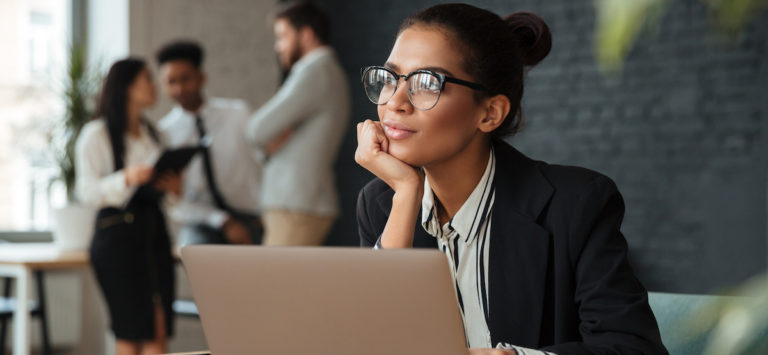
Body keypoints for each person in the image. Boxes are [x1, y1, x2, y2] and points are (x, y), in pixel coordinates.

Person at [355, 4, 668, 354]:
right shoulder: (383, 203)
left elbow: (633, 349)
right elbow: (376, 341)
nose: (394, 102)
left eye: (427, 83)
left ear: (490, 113)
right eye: (390, 78)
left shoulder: (576, 205)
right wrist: (406, 192)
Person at [75, 58, 179, 355]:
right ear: (126, 86)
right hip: (117, 241)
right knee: (131, 330)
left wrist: (172, 189)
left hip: (153, 236)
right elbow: (86, 192)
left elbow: (170, 200)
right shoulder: (96, 135)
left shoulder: (157, 135)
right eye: (146, 78)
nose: (154, 85)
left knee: (158, 328)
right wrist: (126, 178)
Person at [246, 1, 350, 246]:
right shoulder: (326, 71)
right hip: (302, 201)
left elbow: (256, 130)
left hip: (296, 203)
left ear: (307, 34)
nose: (277, 46)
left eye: (283, 36)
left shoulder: (314, 71)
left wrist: (272, 138)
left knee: (275, 283)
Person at [156, 41, 263, 247]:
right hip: (201, 222)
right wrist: (223, 222)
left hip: (250, 217)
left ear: (201, 77)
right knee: (194, 254)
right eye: (171, 82)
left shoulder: (238, 113)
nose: (179, 88)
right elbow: (175, 202)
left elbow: (267, 159)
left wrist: (267, 209)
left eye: (185, 79)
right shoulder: (164, 134)